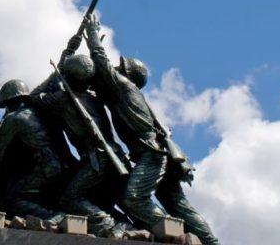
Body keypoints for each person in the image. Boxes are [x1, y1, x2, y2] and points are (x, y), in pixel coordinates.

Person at [83, 14, 220, 244]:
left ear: (128, 75)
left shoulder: (125, 87)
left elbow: (102, 64)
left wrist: (93, 36)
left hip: (152, 154)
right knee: (179, 204)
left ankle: (171, 230)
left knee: (134, 199)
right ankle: (210, 241)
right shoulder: (125, 95)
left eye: (121, 68)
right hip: (154, 153)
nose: (116, 68)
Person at [31, 35, 131, 237]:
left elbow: (34, 97)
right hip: (115, 156)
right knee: (99, 200)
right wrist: (68, 54)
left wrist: (60, 68)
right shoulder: (95, 99)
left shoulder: (63, 99)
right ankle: (123, 223)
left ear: (68, 76)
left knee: (69, 199)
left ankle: (111, 224)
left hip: (97, 160)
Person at [0, 79, 67, 222]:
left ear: (8, 102)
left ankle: (53, 217)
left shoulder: (13, 119)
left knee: (13, 198)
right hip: (58, 164)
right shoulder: (39, 112)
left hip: (45, 168)